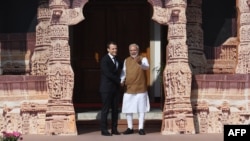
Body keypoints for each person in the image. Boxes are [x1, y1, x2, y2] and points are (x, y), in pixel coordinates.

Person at [120, 43, 150, 135]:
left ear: (138, 50)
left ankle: (141, 128)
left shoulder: (143, 58)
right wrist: (121, 80)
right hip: (129, 87)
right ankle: (130, 127)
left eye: (134, 50)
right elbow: (123, 72)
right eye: (131, 50)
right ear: (129, 51)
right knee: (128, 108)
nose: (133, 52)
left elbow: (146, 67)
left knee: (141, 109)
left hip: (140, 87)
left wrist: (140, 63)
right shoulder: (126, 60)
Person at [99, 41, 122, 136]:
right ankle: (104, 130)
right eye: (113, 49)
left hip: (115, 89)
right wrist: (119, 80)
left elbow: (123, 67)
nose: (115, 50)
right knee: (105, 110)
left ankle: (114, 129)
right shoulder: (104, 60)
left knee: (115, 110)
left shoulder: (117, 59)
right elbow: (108, 73)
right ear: (108, 49)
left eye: (116, 48)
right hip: (106, 89)